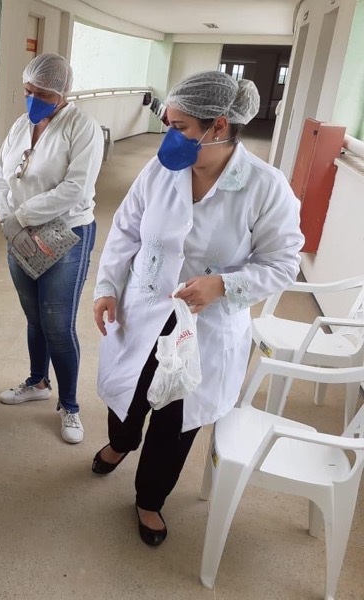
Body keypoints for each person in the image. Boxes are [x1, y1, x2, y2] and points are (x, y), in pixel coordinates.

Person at [91, 71, 304, 546]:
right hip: (145, 307)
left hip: (204, 326)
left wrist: (225, 285)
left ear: (220, 128)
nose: (169, 136)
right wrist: (107, 286)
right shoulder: (159, 169)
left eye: (180, 127)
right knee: (131, 390)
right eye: (167, 123)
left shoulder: (266, 187)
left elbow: (283, 263)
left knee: (174, 415)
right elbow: (126, 229)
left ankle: (149, 499)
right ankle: (121, 443)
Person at [0, 53, 103, 444]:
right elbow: (0, 175)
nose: (32, 100)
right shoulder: (21, 125)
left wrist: (20, 216)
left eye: (41, 94)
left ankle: (70, 406)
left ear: (62, 93)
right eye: (27, 91)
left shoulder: (82, 127)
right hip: (19, 233)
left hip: (64, 232)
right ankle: (38, 381)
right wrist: (9, 220)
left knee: (58, 322)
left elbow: (76, 189)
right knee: (34, 316)